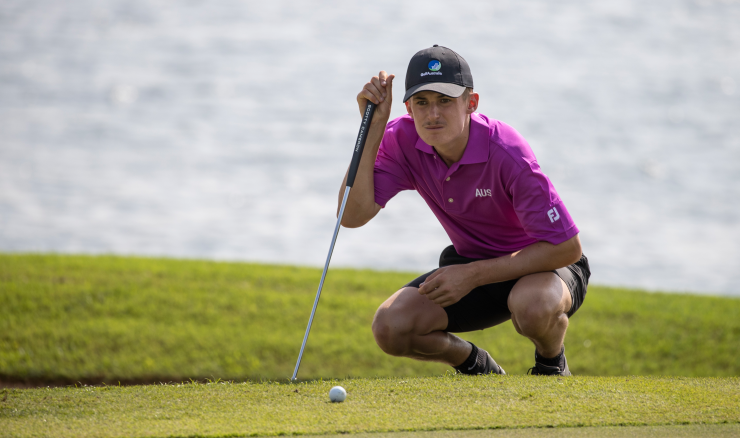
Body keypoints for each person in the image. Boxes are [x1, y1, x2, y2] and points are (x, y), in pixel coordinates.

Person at [338, 45, 590, 376]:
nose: (432, 114)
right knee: (390, 327)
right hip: (473, 267)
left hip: (542, 267)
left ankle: (550, 361)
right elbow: (351, 216)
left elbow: (567, 248)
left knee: (532, 307)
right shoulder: (401, 139)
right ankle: (474, 363)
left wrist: (471, 275)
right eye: (422, 102)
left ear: (471, 103)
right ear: (408, 109)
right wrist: (372, 129)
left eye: (445, 100)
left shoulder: (507, 151)